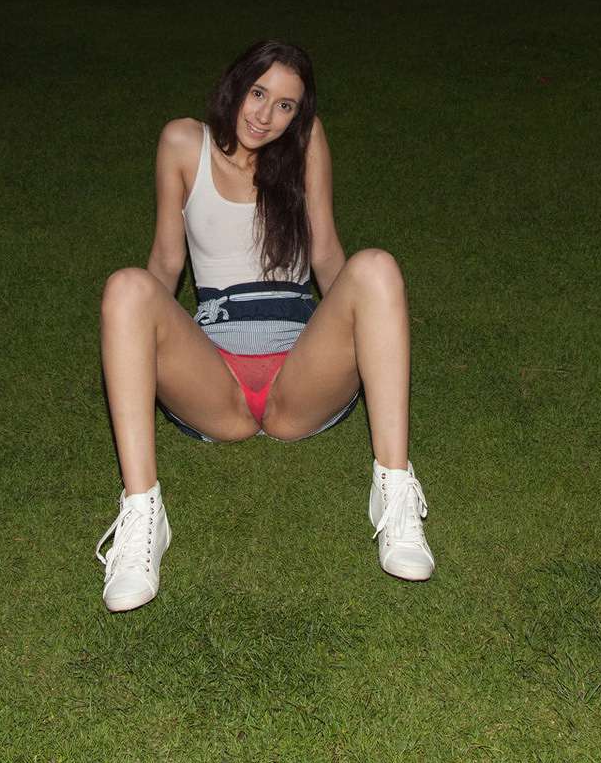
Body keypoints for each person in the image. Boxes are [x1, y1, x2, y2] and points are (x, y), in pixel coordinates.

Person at [93, 39, 435, 612]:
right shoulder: (183, 142)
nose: (265, 115)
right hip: (216, 379)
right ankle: (142, 515)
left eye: (285, 106)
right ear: (236, 84)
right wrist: (134, 333)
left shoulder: (305, 144)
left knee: (376, 266)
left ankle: (394, 494)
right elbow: (166, 263)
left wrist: (364, 315)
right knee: (127, 286)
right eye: (258, 93)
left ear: (299, 114)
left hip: (299, 376)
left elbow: (326, 255)